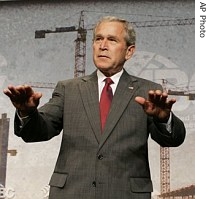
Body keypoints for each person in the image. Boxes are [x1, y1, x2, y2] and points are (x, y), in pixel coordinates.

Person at [3, 16, 186, 199]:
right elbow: (38, 131)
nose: (103, 45)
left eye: (112, 40)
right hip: (72, 193)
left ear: (129, 51)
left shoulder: (147, 91)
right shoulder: (69, 89)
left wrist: (163, 118)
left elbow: (173, 139)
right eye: (98, 39)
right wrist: (26, 112)